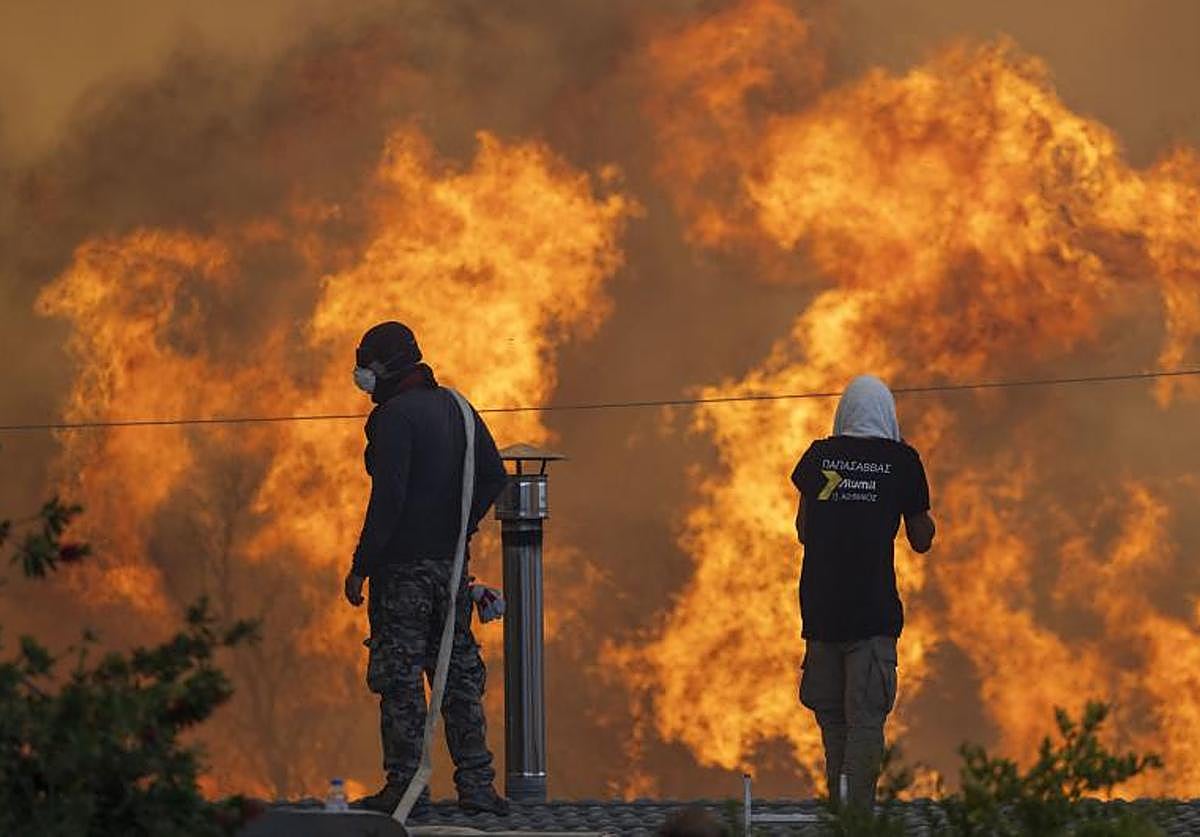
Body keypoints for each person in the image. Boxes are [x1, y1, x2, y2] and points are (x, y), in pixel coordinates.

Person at [342, 321, 510, 817]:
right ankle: (477, 787)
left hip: (402, 573)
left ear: (387, 366)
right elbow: (494, 477)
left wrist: (361, 566)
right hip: (452, 567)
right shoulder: (459, 409)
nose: (361, 376)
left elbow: (388, 498)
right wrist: (460, 530)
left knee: (399, 678)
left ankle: (405, 789)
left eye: (366, 364)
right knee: (456, 672)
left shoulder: (393, 418)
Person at [790, 375, 935, 811]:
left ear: (843, 414)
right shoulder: (902, 461)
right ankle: (858, 818)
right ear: (887, 416)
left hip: (821, 612)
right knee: (866, 721)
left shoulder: (819, 458)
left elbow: (802, 531)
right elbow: (922, 539)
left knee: (833, 720)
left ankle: (841, 811)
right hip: (872, 616)